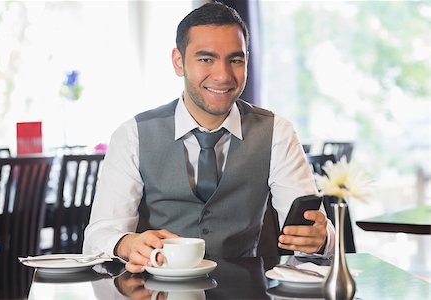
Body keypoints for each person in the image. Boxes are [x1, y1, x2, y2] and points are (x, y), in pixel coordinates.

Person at [83, 2, 335, 273]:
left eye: (235, 60)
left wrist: (320, 238)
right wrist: (126, 243)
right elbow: (99, 236)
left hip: (244, 289)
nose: (223, 75)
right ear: (179, 62)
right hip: (156, 290)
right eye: (206, 59)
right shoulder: (133, 134)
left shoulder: (277, 133)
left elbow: (315, 230)